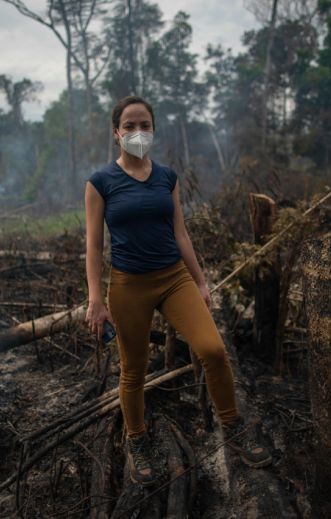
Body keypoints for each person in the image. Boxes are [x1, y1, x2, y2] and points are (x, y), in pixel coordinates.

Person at [84, 96, 272, 486]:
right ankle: (137, 440)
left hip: (174, 279)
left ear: (153, 129)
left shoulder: (167, 177)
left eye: (145, 125)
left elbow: (180, 233)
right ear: (116, 132)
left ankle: (232, 426)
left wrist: (201, 281)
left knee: (213, 350)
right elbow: (93, 246)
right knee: (133, 370)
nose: (138, 133)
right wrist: (95, 300)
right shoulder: (100, 183)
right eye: (130, 126)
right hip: (128, 286)